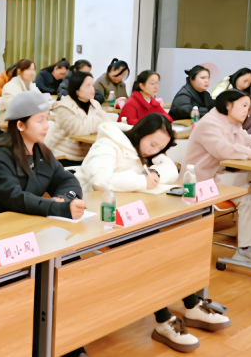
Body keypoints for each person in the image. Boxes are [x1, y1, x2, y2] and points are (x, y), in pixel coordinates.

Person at [79, 114, 229, 352]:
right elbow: (100, 181)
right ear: (141, 132)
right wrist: (142, 181)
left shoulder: (147, 148)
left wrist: (156, 175)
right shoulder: (109, 144)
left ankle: (191, 304)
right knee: (149, 255)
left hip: (130, 216)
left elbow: (170, 168)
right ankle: (165, 320)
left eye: (160, 147)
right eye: (152, 144)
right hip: (99, 219)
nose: (154, 151)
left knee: (165, 247)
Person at [187, 89, 251, 266]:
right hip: (202, 182)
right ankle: (246, 249)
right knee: (249, 195)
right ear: (228, 105)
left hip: (220, 176)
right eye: (244, 105)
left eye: (248, 106)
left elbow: (250, 141)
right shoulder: (208, 124)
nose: (247, 111)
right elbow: (225, 151)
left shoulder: (232, 123)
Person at [0, 90, 84, 220]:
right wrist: (55, 207)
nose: (46, 126)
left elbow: (67, 181)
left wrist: (63, 199)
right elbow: (14, 198)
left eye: (47, 118)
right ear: (20, 125)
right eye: (40, 120)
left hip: (27, 221)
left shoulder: (42, 152)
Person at [43, 70, 110, 161]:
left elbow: (108, 124)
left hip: (87, 155)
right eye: (88, 86)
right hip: (65, 156)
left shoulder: (95, 103)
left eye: (93, 86)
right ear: (77, 90)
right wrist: (98, 121)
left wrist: (99, 123)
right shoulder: (65, 106)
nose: (92, 89)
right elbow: (79, 130)